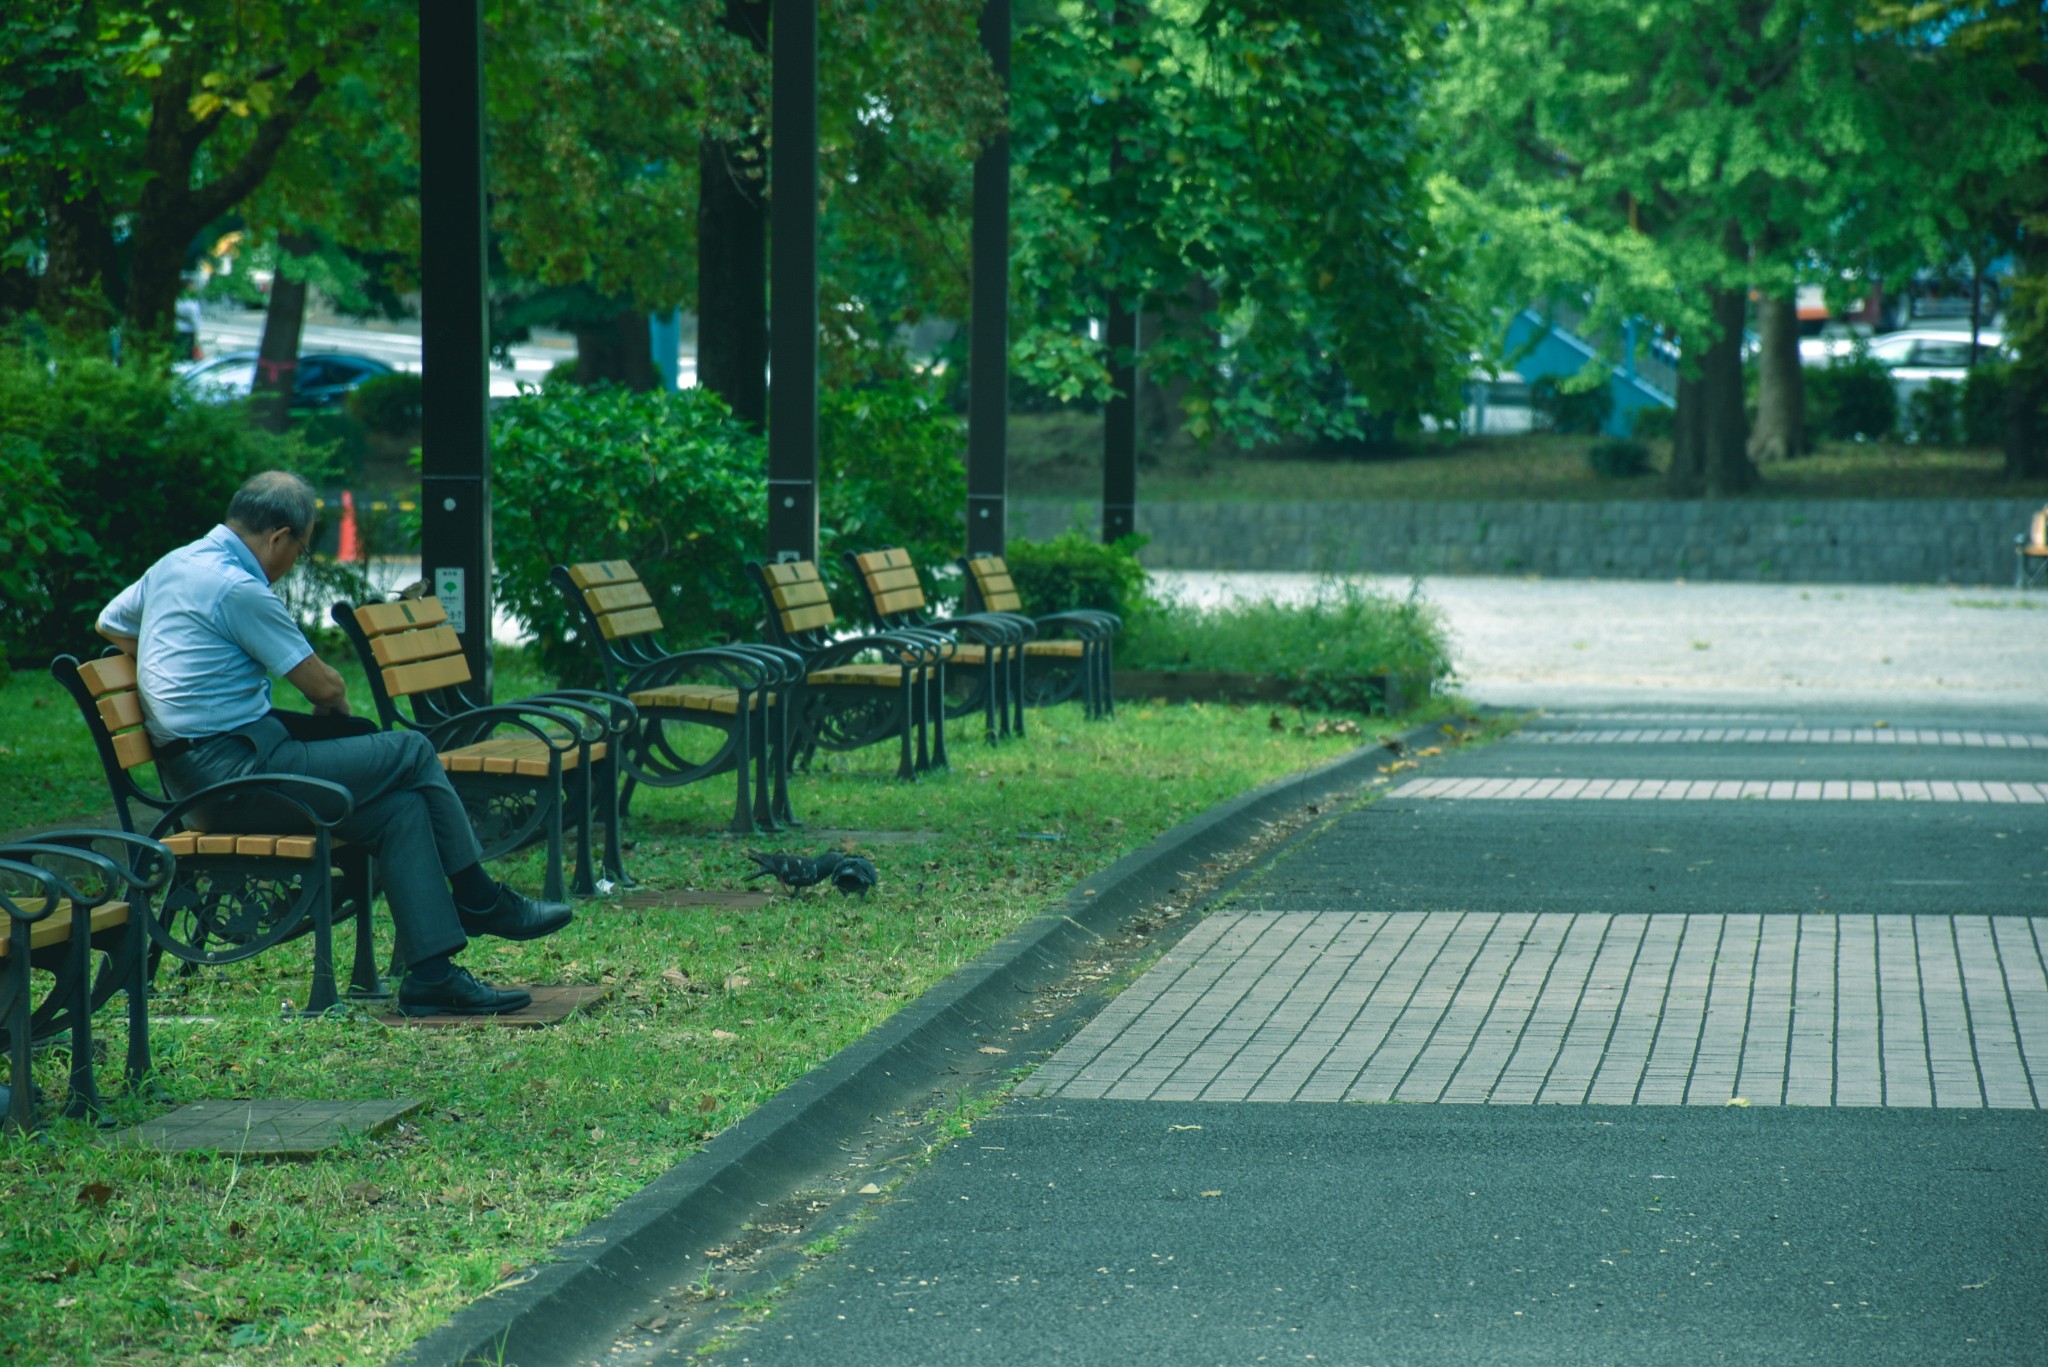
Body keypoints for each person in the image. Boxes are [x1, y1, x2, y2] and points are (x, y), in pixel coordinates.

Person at [96, 469, 570, 1016]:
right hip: (237, 776)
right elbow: (325, 685)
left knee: (402, 809)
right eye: (298, 550)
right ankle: (481, 898)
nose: (294, 562)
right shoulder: (239, 590)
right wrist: (330, 709)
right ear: (278, 536)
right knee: (412, 751)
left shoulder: (175, 565)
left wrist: (186, 663)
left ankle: (432, 977)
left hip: (210, 771)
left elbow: (111, 622)